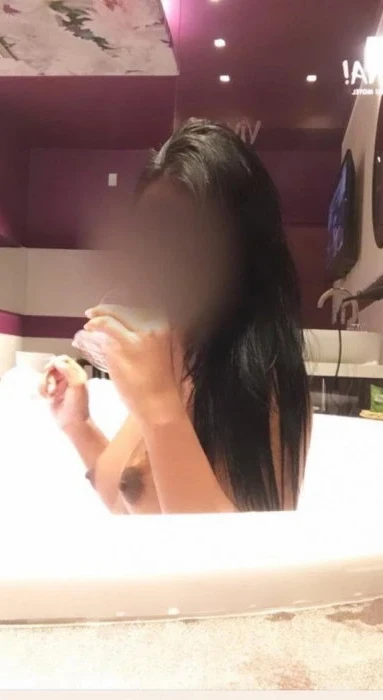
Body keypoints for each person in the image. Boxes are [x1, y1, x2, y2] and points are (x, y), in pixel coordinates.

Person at [40, 118, 311, 515]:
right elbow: (127, 495)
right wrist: (77, 423)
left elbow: (246, 550)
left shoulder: (262, 384)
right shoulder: (175, 355)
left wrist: (157, 402)